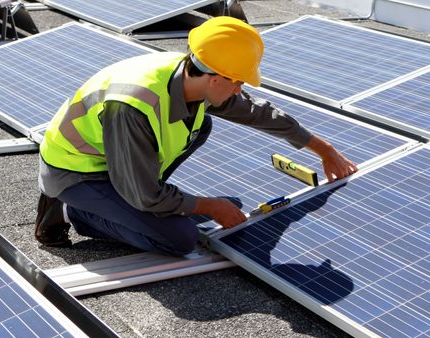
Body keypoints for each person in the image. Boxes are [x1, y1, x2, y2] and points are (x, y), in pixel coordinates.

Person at [35, 16, 357, 256]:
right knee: (179, 239)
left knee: (216, 182)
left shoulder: (192, 77)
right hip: (76, 173)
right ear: (215, 77)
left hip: (119, 163)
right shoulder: (132, 106)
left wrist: (322, 149)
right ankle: (71, 211)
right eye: (238, 82)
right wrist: (209, 207)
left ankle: (118, 206)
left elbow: (258, 112)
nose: (240, 90)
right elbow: (145, 196)